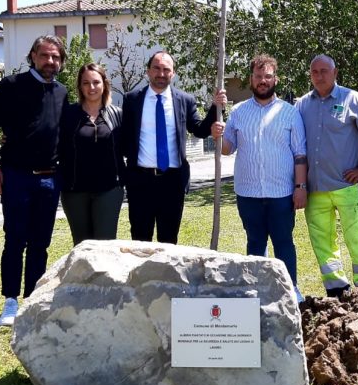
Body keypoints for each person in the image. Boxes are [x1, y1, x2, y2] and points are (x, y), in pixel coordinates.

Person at [0, 35, 68, 326]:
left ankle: (32, 300)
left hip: (49, 181)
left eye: (55, 57)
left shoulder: (63, 92)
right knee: (15, 240)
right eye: (44, 55)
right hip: (15, 177)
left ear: (61, 61)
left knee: (41, 243)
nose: (50, 61)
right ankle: (10, 302)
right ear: (32, 56)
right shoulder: (11, 86)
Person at [211, 55, 307, 301]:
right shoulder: (239, 112)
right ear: (251, 79)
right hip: (248, 192)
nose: (262, 81)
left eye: (267, 76)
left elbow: (299, 154)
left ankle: (290, 289)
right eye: (258, 76)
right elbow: (227, 148)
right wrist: (217, 134)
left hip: (281, 193)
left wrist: (300, 186)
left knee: (284, 242)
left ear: (275, 79)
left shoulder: (289, 113)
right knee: (255, 244)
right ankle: (256, 292)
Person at [295, 54, 358, 297]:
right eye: (315, 72)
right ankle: (336, 289)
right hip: (315, 190)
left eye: (324, 71)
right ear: (310, 75)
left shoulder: (352, 99)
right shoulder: (302, 105)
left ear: (335, 73)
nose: (320, 76)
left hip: (346, 186)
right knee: (322, 243)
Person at [120, 51, 225, 243]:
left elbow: (199, 130)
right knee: (140, 240)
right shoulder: (132, 100)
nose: (161, 73)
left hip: (172, 182)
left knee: (169, 241)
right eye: (156, 68)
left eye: (166, 69)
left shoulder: (185, 100)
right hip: (140, 183)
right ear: (148, 72)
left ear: (173, 73)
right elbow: (124, 137)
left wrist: (215, 108)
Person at [58, 63, 125, 245]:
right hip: (74, 191)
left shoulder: (118, 115)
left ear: (104, 84)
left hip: (109, 189)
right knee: (82, 245)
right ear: (80, 86)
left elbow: (131, 146)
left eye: (96, 82)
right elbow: (51, 142)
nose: (92, 87)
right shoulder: (68, 115)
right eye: (86, 83)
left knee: (105, 244)